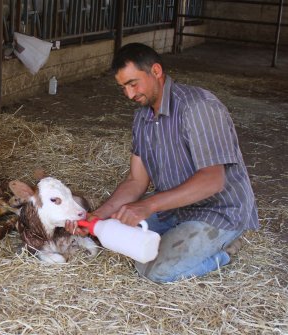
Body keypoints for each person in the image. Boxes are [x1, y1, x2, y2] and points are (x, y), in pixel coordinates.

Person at [67, 43, 258, 283]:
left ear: (156, 71)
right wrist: (97, 216)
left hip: (218, 211)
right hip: (174, 209)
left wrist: (148, 206)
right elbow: (136, 181)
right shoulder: (142, 119)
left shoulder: (198, 107)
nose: (129, 94)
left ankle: (224, 253)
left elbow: (212, 180)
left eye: (133, 83)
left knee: (156, 271)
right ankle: (182, 239)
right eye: (123, 87)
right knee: (114, 236)